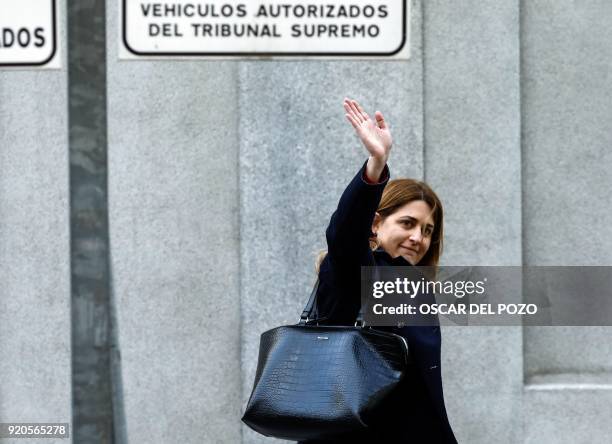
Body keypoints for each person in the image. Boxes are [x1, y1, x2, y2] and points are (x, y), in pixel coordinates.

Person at [298, 98, 457, 443]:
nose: (418, 237)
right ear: (376, 225)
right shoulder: (357, 272)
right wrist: (376, 166)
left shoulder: (414, 291)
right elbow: (344, 234)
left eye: (428, 230)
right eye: (408, 223)